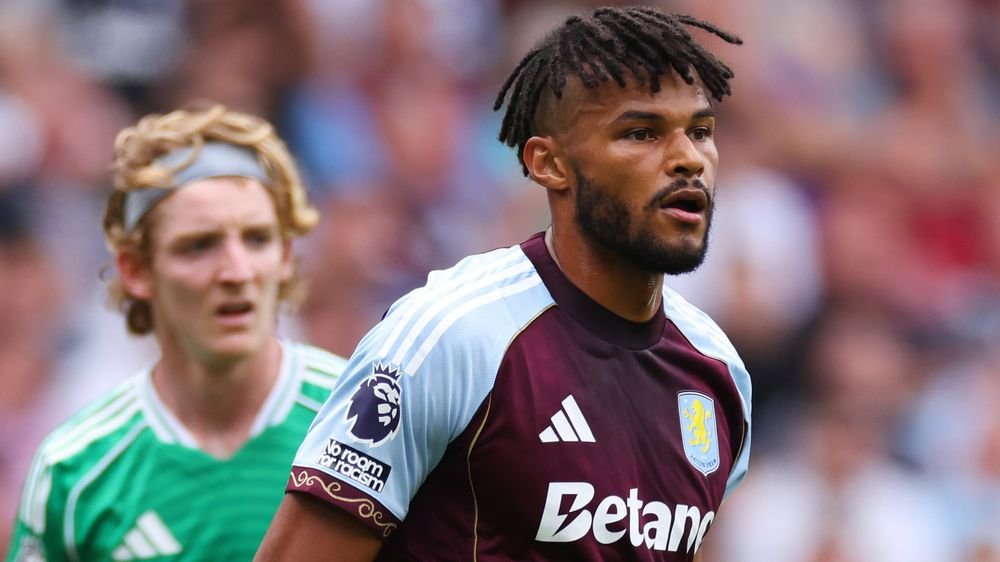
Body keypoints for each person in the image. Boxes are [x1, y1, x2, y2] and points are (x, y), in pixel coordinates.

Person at [256, 6, 751, 561]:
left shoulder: (720, 373)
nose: (688, 159)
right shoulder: (452, 336)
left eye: (701, 132)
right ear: (549, 164)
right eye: (642, 133)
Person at [6, 104, 346, 561]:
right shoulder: (75, 470)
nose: (237, 271)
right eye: (199, 245)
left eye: (258, 239)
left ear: (286, 256)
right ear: (136, 269)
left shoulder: (360, 423)